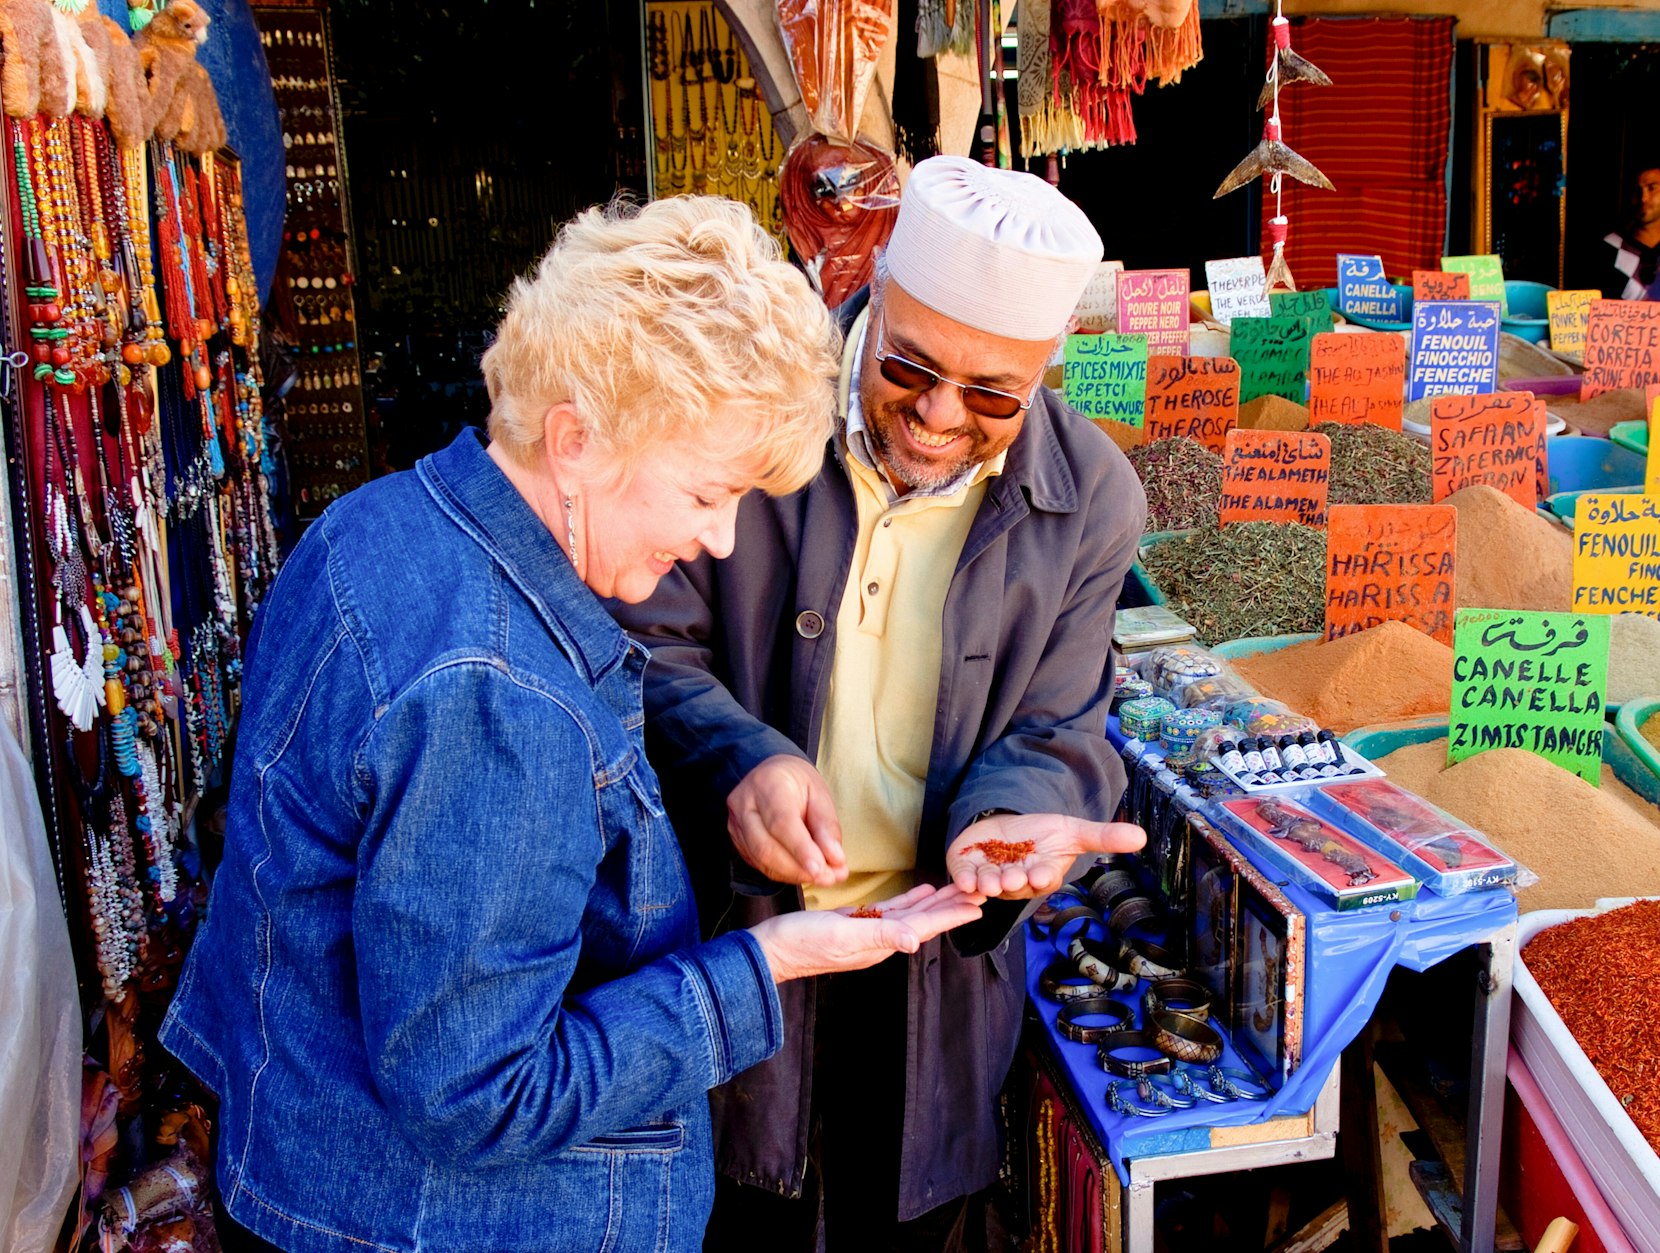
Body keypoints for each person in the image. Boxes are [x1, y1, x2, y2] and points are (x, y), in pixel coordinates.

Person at [158, 197, 986, 1253]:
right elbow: (477, 1095)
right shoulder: (498, 694)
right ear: (575, 438)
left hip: (316, 1172)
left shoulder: (376, 518)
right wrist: (763, 963)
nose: (720, 540)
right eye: (705, 491)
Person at [618, 156, 1149, 1249]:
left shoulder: (1092, 497)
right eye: (908, 367)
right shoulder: (757, 409)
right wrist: (738, 760)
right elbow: (643, 642)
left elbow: (1058, 727)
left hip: (932, 969)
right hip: (741, 940)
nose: (940, 415)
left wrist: (1008, 817)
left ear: (1045, 372)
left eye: (993, 395)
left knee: (899, 1217)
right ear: (873, 301)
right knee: (735, 1213)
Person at [1599, 161, 1660, 331]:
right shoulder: (1609, 248)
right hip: (1627, 354)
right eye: (1637, 190)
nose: (1643, 198)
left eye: (1652, 188)